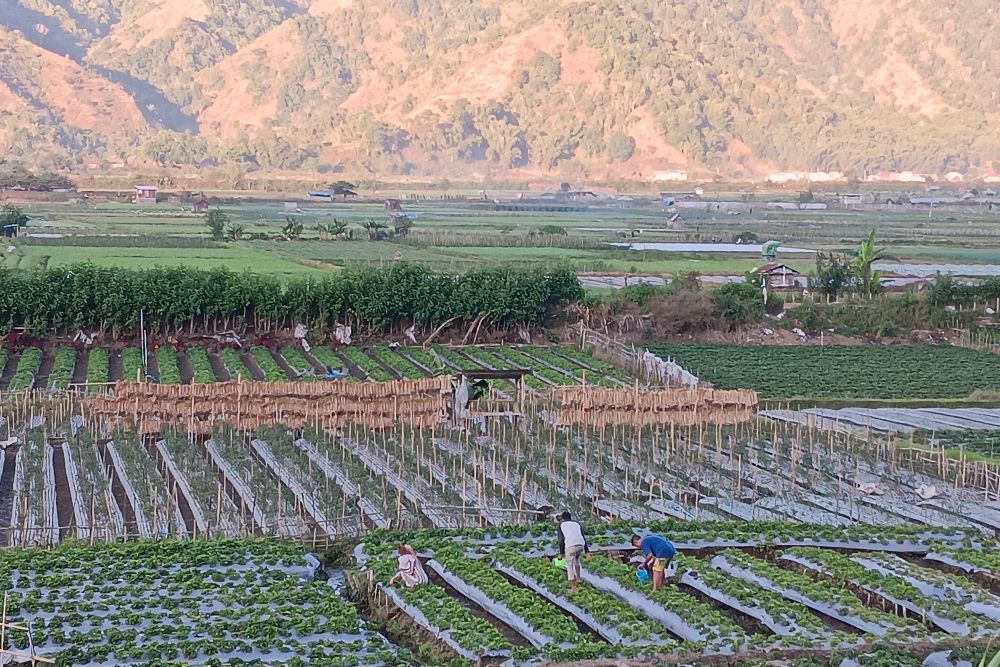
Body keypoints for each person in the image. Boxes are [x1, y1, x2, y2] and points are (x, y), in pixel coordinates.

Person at [557, 511, 590, 593]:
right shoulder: (576, 524)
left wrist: (561, 553)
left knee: (569, 564)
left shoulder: (562, 525)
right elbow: (583, 537)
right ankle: (578, 578)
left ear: (563, 519)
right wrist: (587, 552)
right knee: (577, 559)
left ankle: (573, 587)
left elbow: (561, 540)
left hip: (571, 546)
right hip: (580, 545)